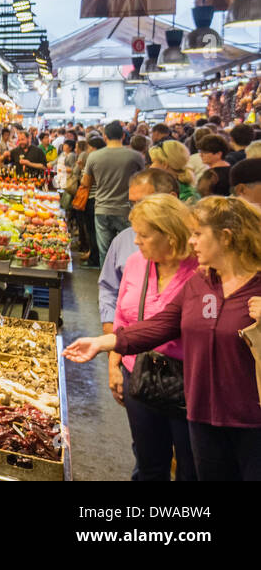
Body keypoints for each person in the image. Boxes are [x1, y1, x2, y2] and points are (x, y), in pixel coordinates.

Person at [65, 196, 261, 480]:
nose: (192, 241)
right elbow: (161, 324)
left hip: (251, 422)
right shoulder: (201, 282)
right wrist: (102, 343)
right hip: (202, 414)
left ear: (226, 238)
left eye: (198, 234)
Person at [109, 194, 200, 481]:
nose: (136, 242)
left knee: (192, 466)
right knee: (149, 461)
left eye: (144, 235)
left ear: (170, 236)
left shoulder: (202, 270)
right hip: (141, 374)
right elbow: (122, 315)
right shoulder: (137, 263)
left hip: (190, 383)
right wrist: (115, 364)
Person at [99, 167, 182, 340]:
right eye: (133, 203)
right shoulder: (124, 241)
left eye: (144, 202)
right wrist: (110, 332)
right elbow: (109, 288)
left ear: (171, 199)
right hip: (127, 350)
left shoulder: (194, 250)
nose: (135, 211)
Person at [81, 120, 146, 267]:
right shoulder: (135, 156)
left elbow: (85, 183)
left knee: (106, 252)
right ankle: (127, 283)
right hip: (126, 209)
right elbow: (143, 180)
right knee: (129, 250)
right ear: (123, 135)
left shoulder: (94, 157)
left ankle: (107, 285)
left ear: (105, 137)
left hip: (102, 208)